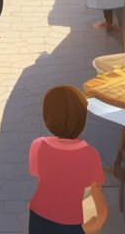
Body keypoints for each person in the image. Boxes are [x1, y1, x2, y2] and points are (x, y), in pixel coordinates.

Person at [28, 86, 107, 234]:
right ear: (82, 118)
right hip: (74, 220)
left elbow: (37, 175)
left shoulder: (37, 145)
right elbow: (95, 188)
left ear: (48, 118)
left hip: (40, 214)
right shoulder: (91, 154)